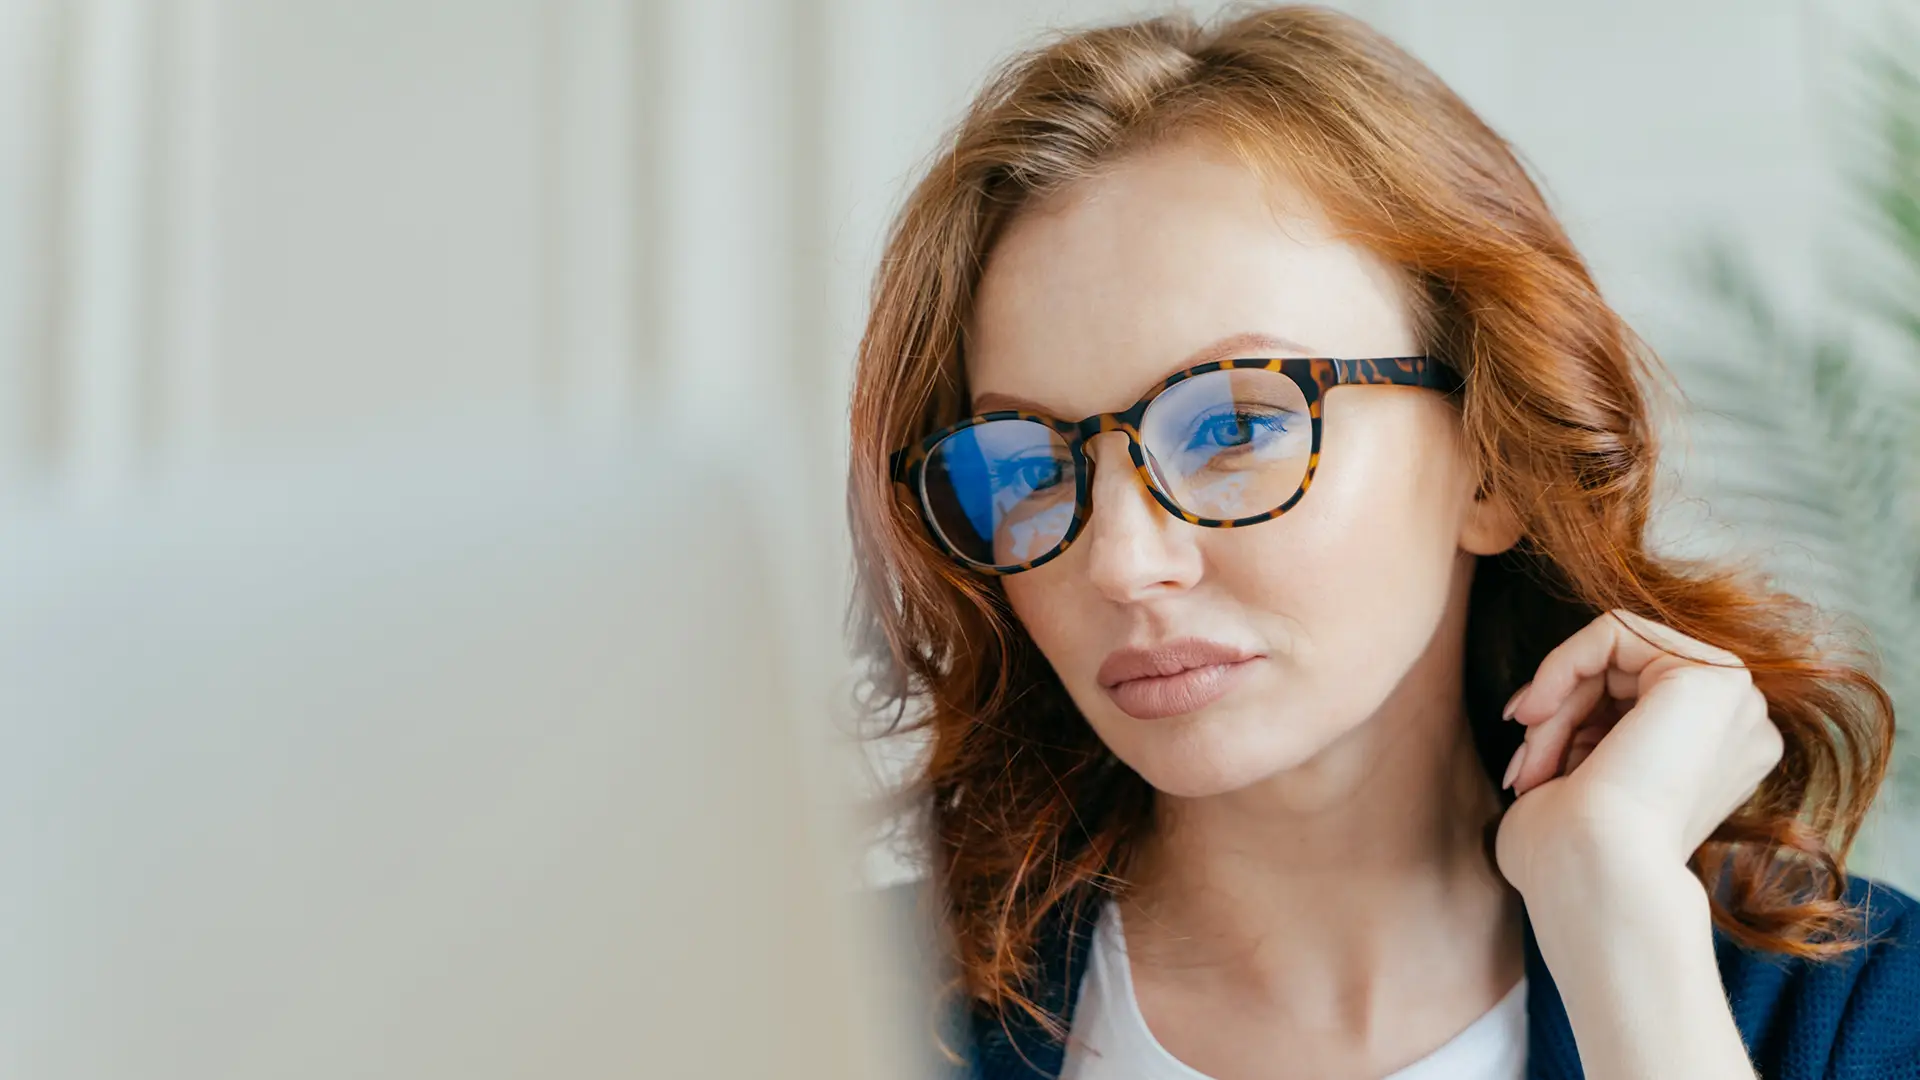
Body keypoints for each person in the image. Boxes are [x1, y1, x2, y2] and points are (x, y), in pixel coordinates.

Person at [845, 6, 1920, 1079]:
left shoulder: (1860, 1005)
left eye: (1234, 428)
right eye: (1027, 468)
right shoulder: (845, 1005)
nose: (1124, 563)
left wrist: (1625, 931)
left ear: (1493, 461)